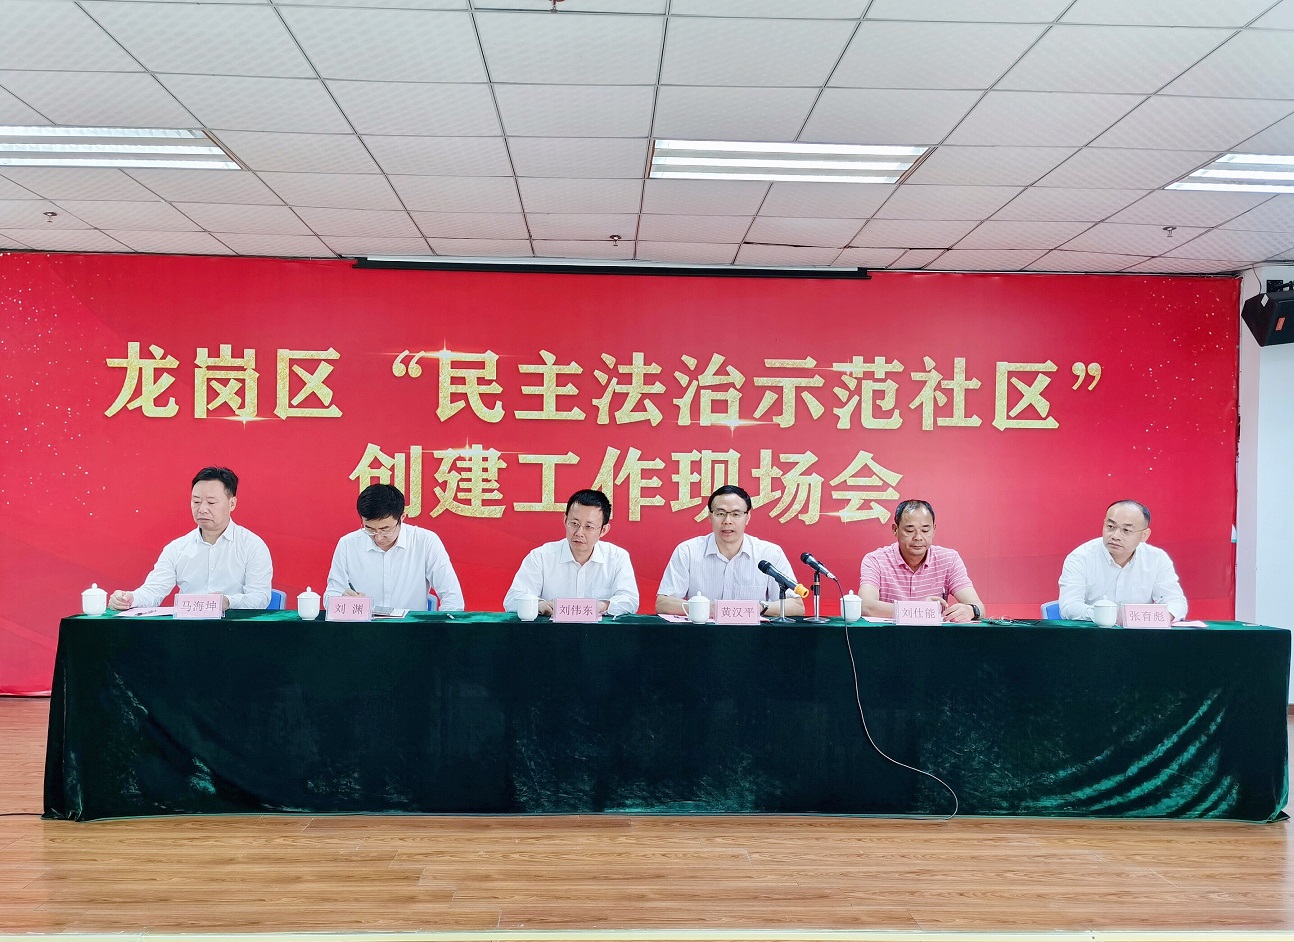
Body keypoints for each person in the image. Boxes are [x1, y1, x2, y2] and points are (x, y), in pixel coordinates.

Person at [108, 466, 272, 611]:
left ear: (232, 504)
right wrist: (130, 599)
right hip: (188, 629)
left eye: (211, 502)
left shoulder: (252, 546)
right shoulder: (177, 549)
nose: (202, 509)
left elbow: (260, 597)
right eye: (196, 501)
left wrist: (228, 602)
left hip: (235, 628)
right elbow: (153, 591)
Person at [656, 484, 805, 617]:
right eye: (720, 513)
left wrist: (759, 607)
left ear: (747, 517)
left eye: (736, 514)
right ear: (710, 516)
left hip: (754, 636)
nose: (727, 521)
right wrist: (704, 608)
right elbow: (662, 603)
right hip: (703, 635)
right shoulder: (687, 551)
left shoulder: (770, 553)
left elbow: (796, 606)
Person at [325, 483, 464, 612]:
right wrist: (343, 601)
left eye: (385, 529)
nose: (378, 537)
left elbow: (453, 599)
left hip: (410, 628)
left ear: (402, 518)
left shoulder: (425, 542)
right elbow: (330, 596)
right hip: (364, 627)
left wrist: (441, 628)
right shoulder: (348, 544)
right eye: (370, 529)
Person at [503, 489, 638, 617]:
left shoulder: (617, 558)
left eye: (589, 527)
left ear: (603, 530)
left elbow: (630, 601)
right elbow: (512, 600)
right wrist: (539, 605)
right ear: (565, 520)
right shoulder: (541, 557)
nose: (579, 533)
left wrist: (603, 605)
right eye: (574, 523)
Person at [1058, 499, 1187, 621]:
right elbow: (1069, 606)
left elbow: (1176, 602)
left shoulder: (1157, 559)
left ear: (1144, 535)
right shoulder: (1080, 558)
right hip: (1093, 632)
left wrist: (1155, 617)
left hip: (1139, 634)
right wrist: (1112, 616)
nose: (1115, 536)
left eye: (1126, 530)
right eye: (1110, 526)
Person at [858, 498, 985, 623]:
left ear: (934, 530)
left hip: (933, 636)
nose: (918, 537)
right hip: (889, 635)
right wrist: (921, 609)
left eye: (925, 530)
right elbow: (865, 606)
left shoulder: (949, 559)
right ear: (895, 530)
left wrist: (970, 610)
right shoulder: (876, 560)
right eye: (909, 530)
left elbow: (979, 607)